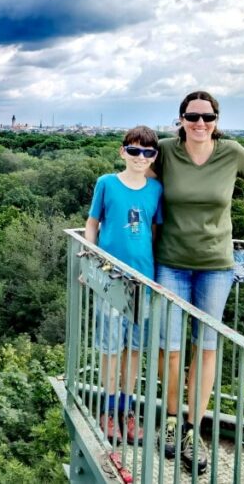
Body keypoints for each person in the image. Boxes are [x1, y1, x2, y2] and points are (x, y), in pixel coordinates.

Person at [152, 90, 244, 474]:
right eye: (192, 117)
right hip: (170, 264)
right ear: (180, 119)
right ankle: (173, 421)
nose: (199, 124)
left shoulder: (233, 153)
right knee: (171, 348)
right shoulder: (164, 151)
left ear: (216, 120)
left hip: (215, 265)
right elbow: (137, 183)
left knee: (206, 348)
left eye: (207, 117)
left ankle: (195, 428)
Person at [83, 125, 163, 448]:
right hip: (110, 278)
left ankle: (127, 410)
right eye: (134, 151)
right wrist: (90, 261)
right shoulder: (106, 183)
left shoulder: (156, 190)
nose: (140, 157)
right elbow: (92, 223)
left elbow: (154, 233)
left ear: (154, 156)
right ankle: (108, 408)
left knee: (134, 349)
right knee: (110, 346)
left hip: (142, 279)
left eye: (147, 152)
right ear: (122, 152)